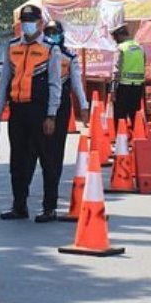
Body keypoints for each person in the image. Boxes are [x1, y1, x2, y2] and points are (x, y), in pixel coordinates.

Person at [0, 4, 61, 222]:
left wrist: (51, 115)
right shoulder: (12, 46)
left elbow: (55, 84)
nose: (27, 24)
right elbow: (5, 81)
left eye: (31, 20)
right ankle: (19, 205)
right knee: (18, 161)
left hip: (40, 111)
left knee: (47, 159)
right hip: (18, 110)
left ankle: (50, 207)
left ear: (41, 23)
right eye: (24, 20)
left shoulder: (50, 49)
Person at [42, 20, 89, 215]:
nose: (52, 35)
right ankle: (20, 202)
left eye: (55, 32)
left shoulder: (69, 56)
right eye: (49, 32)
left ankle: (50, 203)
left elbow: (77, 83)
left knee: (54, 154)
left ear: (61, 34)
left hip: (61, 107)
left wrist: (84, 105)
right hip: (39, 105)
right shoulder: (39, 53)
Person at [111, 25, 145, 130]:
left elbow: (116, 69)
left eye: (115, 37)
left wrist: (112, 89)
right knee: (135, 113)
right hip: (138, 86)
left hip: (123, 86)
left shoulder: (121, 48)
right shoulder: (140, 47)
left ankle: (121, 137)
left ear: (120, 36)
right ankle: (137, 136)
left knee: (120, 114)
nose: (115, 40)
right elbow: (144, 63)